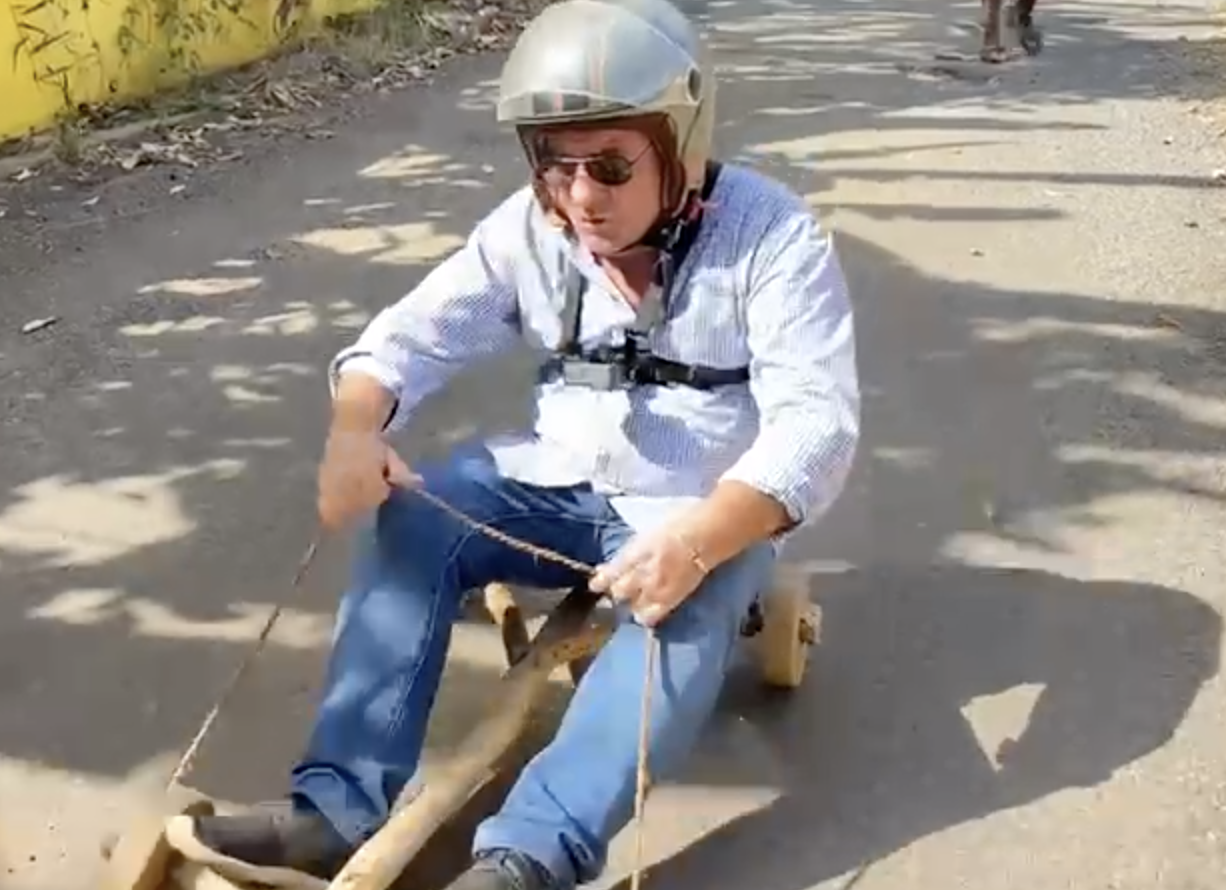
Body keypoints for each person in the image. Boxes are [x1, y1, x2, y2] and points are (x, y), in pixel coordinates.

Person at [183, 0, 860, 887]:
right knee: (413, 523)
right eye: (555, 165)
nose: (581, 197)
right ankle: (336, 812)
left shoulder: (772, 239)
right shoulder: (529, 230)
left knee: (681, 616)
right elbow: (406, 339)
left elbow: (816, 425)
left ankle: (529, 857)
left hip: (691, 508)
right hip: (555, 481)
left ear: (682, 146)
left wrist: (699, 543)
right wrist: (354, 433)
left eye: (612, 165)